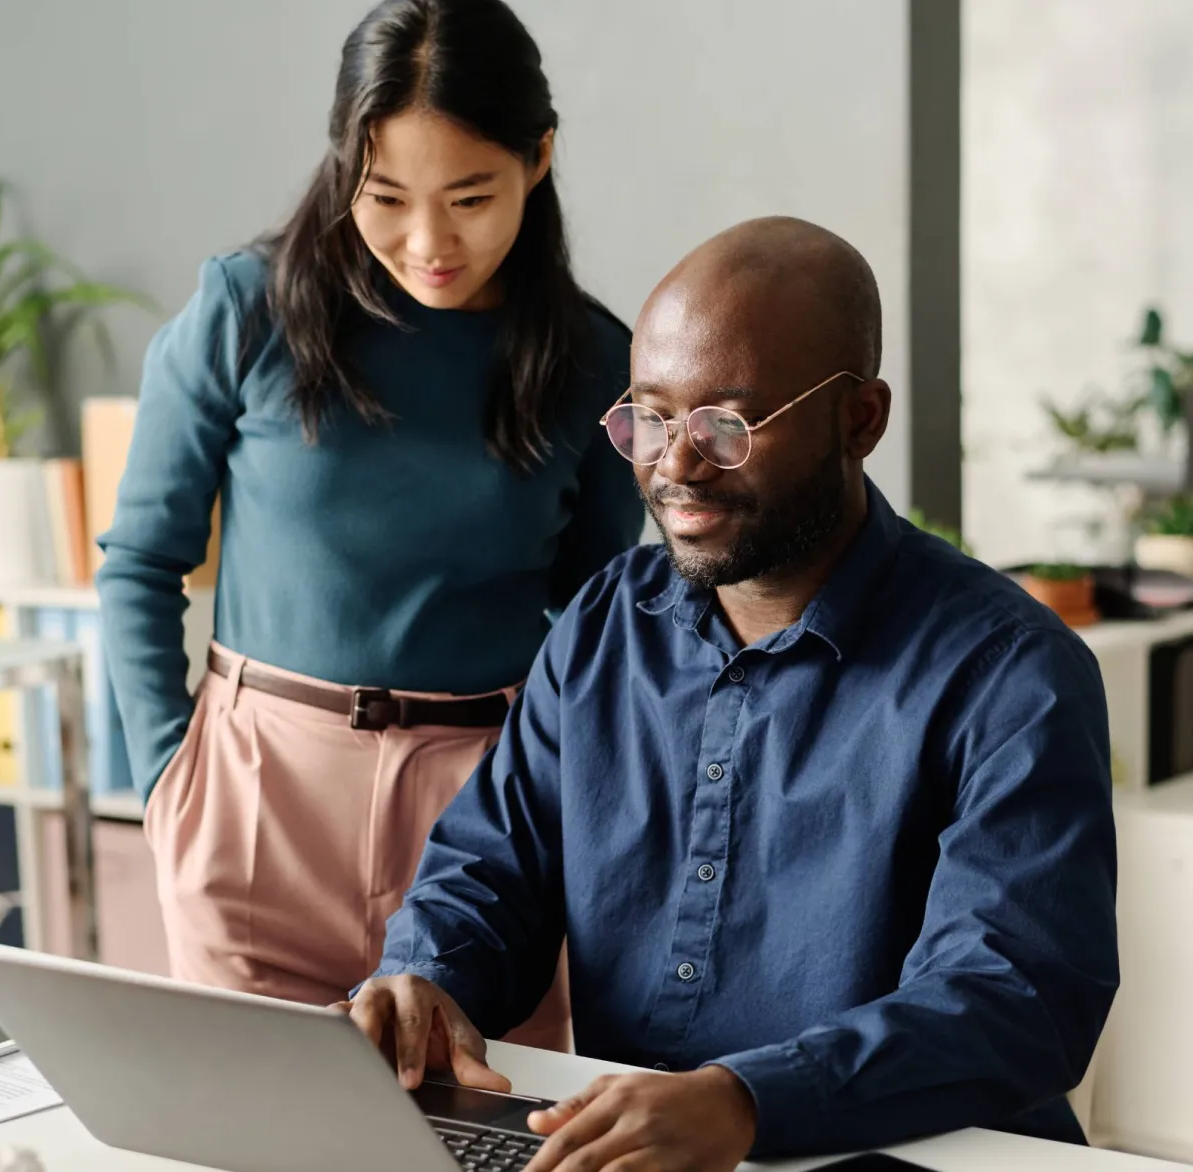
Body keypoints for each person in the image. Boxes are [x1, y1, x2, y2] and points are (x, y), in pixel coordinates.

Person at [343, 217, 1119, 1168]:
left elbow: (1014, 997)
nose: (676, 465)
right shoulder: (605, 625)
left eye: (728, 425)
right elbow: (490, 871)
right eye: (651, 418)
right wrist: (425, 977)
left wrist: (749, 1103)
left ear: (861, 420)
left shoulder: (1010, 671)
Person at [95, 0, 642, 1042]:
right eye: (385, 196)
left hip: (484, 825)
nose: (428, 242)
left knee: (480, 1116)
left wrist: (563, 809)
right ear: (344, 161)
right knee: (251, 1116)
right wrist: (170, 777)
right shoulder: (246, 309)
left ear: (538, 158)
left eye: (470, 198)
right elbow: (140, 562)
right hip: (259, 797)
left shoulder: (594, 363)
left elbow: (592, 628)